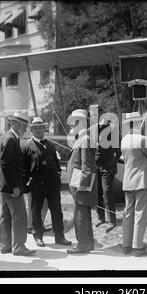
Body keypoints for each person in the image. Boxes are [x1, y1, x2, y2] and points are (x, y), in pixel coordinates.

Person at [22, 116, 71, 247]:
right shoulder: (27, 146)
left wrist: (58, 175)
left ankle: (60, 237)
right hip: (37, 185)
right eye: (36, 128)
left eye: (41, 128)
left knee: (57, 211)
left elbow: (57, 162)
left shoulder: (50, 144)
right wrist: (26, 185)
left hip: (53, 185)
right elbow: (24, 168)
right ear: (31, 130)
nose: (39, 130)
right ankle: (38, 236)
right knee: (36, 211)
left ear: (45, 129)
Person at [0, 112, 36, 256]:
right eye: (24, 126)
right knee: (19, 215)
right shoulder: (11, 139)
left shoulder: (6, 137)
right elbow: (6, 165)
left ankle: (5, 246)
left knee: (5, 215)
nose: (26, 129)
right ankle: (19, 247)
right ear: (15, 124)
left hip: (3, 185)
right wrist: (14, 186)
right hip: (11, 186)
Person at [120, 117, 147, 257]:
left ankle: (126, 245)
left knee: (128, 213)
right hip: (141, 180)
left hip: (128, 181)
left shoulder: (124, 140)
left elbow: (124, 159)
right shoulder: (142, 139)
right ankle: (138, 247)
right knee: (140, 213)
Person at [66, 109, 98, 254]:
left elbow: (87, 165)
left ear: (80, 122)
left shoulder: (85, 140)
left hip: (81, 184)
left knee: (80, 215)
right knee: (83, 213)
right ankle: (88, 243)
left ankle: (83, 244)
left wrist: (83, 185)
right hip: (79, 183)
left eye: (74, 122)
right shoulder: (83, 138)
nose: (72, 125)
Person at [95, 119, 121, 233]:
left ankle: (112, 220)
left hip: (108, 167)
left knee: (107, 193)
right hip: (96, 166)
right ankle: (101, 217)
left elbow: (118, 151)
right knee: (98, 193)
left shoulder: (113, 131)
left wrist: (112, 159)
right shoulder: (93, 130)